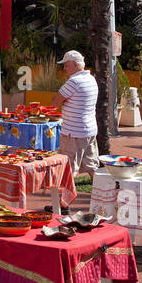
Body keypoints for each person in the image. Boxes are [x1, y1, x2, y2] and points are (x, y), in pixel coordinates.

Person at [51, 49, 98, 184]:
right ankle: (102, 194)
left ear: (76, 65)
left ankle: (65, 203)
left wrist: (64, 101)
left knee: (68, 168)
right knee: (91, 165)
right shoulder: (91, 79)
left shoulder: (74, 82)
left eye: (66, 65)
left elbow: (55, 103)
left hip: (73, 132)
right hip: (89, 130)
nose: (64, 68)